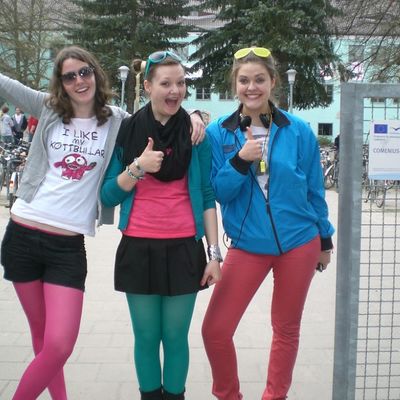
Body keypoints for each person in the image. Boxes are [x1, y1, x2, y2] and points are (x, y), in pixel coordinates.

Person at [0, 45, 205, 400]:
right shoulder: (48, 108)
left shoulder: (117, 120)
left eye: (85, 72)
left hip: (67, 245)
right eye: (69, 76)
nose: (79, 80)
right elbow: (6, 85)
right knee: (43, 338)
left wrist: (196, 115)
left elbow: (159, 110)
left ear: (96, 73)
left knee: (59, 343)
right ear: (60, 83)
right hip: (23, 231)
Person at [202, 47, 335, 400]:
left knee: (286, 329)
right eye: (244, 80)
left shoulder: (298, 130)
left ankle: (275, 396)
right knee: (215, 330)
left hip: (299, 243)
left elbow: (314, 189)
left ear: (273, 82)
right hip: (248, 245)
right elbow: (218, 192)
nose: (252, 87)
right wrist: (240, 161)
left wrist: (324, 240)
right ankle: (228, 395)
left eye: (259, 79)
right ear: (235, 85)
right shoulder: (219, 133)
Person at [100, 50, 222, 400]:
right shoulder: (128, 131)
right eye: (166, 83)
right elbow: (108, 195)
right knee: (146, 337)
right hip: (138, 246)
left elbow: (207, 196)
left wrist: (214, 255)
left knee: (175, 337)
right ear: (148, 87)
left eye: (180, 83)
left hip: (184, 247)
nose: (175, 90)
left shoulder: (196, 134)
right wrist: (138, 167)